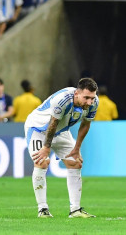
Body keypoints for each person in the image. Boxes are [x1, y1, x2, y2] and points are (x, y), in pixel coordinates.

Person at [24, 77, 99, 218]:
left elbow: (85, 124)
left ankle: (75, 210)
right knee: (41, 162)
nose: (89, 102)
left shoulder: (94, 103)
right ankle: (43, 209)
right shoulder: (62, 99)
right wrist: (46, 148)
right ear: (77, 93)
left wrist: (77, 148)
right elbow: (52, 122)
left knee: (75, 163)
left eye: (92, 98)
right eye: (86, 98)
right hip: (38, 129)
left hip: (61, 131)